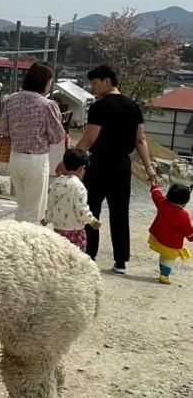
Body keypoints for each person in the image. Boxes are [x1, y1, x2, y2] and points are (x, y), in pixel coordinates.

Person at [74, 64, 157, 274]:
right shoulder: (133, 106)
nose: (93, 88)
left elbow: (89, 138)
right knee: (120, 212)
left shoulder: (99, 107)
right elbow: (140, 139)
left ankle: (89, 254)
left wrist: (70, 160)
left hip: (100, 163)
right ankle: (121, 261)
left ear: (106, 81)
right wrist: (149, 168)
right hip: (122, 165)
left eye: (94, 83)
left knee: (92, 209)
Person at [0, 62, 66, 223]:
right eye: (50, 82)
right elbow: (57, 136)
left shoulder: (11, 100)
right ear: (44, 82)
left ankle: (17, 238)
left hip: (15, 157)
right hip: (36, 160)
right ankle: (30, 243)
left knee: (22, 205)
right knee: (35, 210)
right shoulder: (48, 105)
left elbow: (3, 129)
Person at [42, 148, 101, 250]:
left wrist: (46, 219)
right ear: (81, 168)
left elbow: (51, 204)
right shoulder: (79, 186)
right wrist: (92, 221)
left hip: (58, 231)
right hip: (75, 232)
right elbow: (81, 210)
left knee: (60, 258)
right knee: (76, 260)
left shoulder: (56, 183)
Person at [148, 182, 193, 284]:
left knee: (163, 256)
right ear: (185, 202)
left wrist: (154, 185)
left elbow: (156, 194)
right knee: (168, 259)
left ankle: (162, 272)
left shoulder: (162, 203)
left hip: (158, 239)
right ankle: (164, 275)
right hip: (172, 245)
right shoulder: (183, 215)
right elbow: (189, 233)